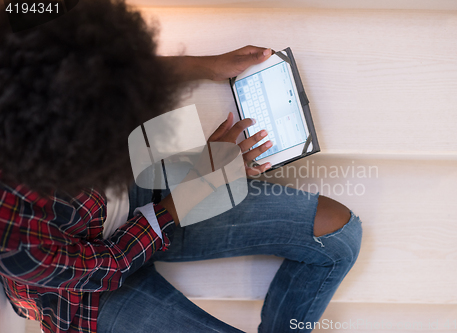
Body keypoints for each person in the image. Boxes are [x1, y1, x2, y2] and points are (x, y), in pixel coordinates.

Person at [0, 0, 362, 332]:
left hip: (125, 196)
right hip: (81, 293)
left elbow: (106, 72)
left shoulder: (27, 38)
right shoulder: (12, 235)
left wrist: (205, 66)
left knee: (335, 236)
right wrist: (198, 186)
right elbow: (108, 266)